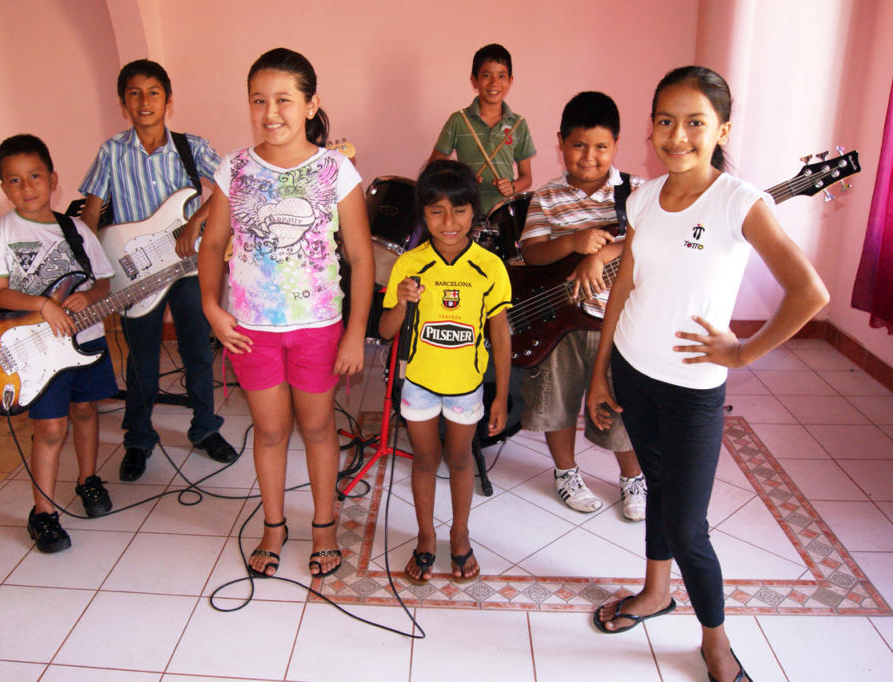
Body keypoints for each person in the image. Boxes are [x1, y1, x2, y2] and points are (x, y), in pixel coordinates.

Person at [587, 66, 828, 682]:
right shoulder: (643, 197)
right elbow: (625, 287)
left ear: (721, 127)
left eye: (695, 122)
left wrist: (743, 352)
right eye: (665, 121)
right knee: (660, 491)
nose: (677, 136)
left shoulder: (738, 201)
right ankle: (654, 592)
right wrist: (599, 371)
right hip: (634, 371)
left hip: (693, 390)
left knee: (689, 527)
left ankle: (714, 642)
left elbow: (809, 292)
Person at [197, 48, 373, 578]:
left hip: (319, 328)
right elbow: (212, 247)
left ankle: (324, 525)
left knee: (318, 429)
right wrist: (211, 307)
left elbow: (362, 258)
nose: (270, 112)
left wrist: (355, 332)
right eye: (259, 100)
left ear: (311, 103)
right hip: (252, 331)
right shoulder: (235, 168)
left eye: (284, 100)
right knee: (269, 432)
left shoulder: (335, 169)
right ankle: (273, 524)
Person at [78, 59, 238, 482]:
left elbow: (228, 186)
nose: (144, 101)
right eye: (134, 93)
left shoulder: (191, 146)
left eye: (153, 92)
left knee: (197, 351)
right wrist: (93, 269)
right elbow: (92, 211)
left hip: (188, 265)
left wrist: (196, 221)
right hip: (135, 273)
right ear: (122, 103)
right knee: (142, 360)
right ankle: (138, 438)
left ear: (168, 99)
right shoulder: (111, 151)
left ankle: (205, 429)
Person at [0, 134, 118, 553]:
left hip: (86, 340)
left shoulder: (75, 230)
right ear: (4, 187)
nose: (27, 188)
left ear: (53, 179)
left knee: (86, 411)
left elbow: (104, 281)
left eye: (35, 176)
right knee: (50, 428)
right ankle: (43, 512)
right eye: (15, 181)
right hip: (39, 355)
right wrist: (42, 305)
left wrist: (88, 296)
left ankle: (88, 479)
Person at [378, 160, 512, 582]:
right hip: (418, 384)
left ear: (474, 210)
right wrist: (400, 300)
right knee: (424, 460)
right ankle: (423, 536)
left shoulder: (489, 267)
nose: (449, 222)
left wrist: (502, 396)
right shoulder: (409, 264)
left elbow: (501, 336)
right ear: (423, 214)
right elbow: (384, 332)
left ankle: (459, 535)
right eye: (436, 211)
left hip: (466, 387)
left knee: (458, 461)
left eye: (458, 210)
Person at [518, 91, 647, 520]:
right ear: (560, 143)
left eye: (601, 147)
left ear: (616, 145)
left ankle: (633, 477)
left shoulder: (638, 194)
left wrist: (602, 255)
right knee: (557, 401)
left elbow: (652, 243)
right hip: (562, 325)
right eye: (578, 145)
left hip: (621, 324)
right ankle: (566, 472)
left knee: (622, 407)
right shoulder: (547, 198)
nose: (589, 157)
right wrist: (573, 242)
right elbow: (533, 253)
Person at [427, 43, 536, 215]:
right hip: (465, 210)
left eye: (501, 76)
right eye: (486, 75)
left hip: (502, 212)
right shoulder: (459, 120)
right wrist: (460, 177)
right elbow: (433, 167)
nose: (494, 83)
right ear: (474, 80)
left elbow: (527, 177)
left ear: (510, 81)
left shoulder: (518, 124)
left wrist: (513, 186)